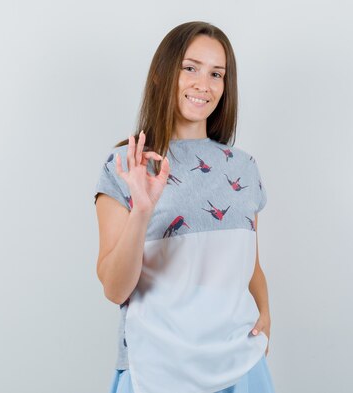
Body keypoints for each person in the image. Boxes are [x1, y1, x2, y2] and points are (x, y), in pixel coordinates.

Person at [93, 21, 276, 393]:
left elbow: (249, 264)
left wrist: (265, 315)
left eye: (216, 74)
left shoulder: (242, 167)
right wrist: (142, 210)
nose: (203, 84)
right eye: (190, 68)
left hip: (239, 368)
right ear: (162, 74)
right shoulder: (126, 165)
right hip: (155, 370)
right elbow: (115, 288)